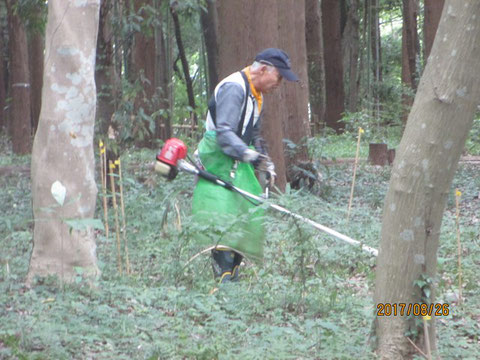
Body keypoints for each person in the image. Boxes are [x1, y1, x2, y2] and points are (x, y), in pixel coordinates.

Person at [192, 48, 299, 283]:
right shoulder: (235, 88)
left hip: (236, 161)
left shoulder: (256, 95)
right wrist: (249, 154)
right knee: (222, 217)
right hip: (216, 160)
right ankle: (223, 280)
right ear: (262, 70)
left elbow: (254, 134)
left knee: (247, 211)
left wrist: (263, 159)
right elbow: (224, 132)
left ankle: (234, 274)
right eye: (279, 77)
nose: (279, 84)